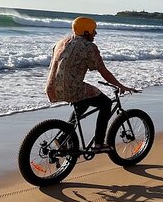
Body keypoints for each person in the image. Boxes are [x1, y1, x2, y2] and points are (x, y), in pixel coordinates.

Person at [45, 16, 137, 152]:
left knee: (84, 99)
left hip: (52, 87)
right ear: (86, 31)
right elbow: (104, 72)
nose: (95, 33)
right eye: (93, 30)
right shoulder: (89, 47)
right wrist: (121, 86)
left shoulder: (61, 42)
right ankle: (99, 144)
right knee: (105, 103)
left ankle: (63, 138)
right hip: (71, 88)